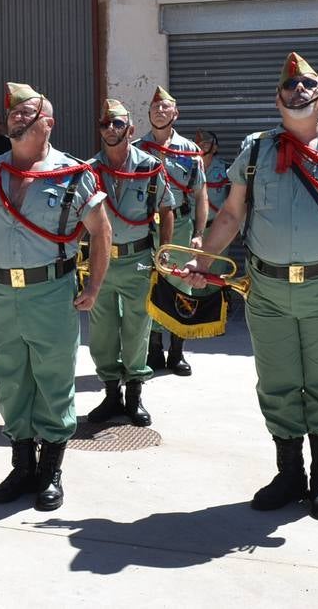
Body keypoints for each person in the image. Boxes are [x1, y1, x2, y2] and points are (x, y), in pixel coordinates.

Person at [188, 52, 318, 522]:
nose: (298, 91)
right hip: (267, 290)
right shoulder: (256, 149)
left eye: (308, 85)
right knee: (277, 384)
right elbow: (232, 214)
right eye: (289, 87)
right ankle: (289, 474)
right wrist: (202, 260)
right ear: (277, 100)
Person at [0, 82, 110, 512]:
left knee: (54, 380)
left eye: (26, 111)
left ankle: (51, 470)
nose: (16, 116)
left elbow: (101, 230)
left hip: (50, 291)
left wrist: (93, 287)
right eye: (12, 112)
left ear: (47, 123)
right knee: (10, 379)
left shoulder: (74, 173)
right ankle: (22, 466)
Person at [86, 100, 173, 427]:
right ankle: (112, 396)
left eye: (117, 124)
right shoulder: (89, 169)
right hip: (101, 263)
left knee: (137, 328)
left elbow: (167, 209)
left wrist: (163, 254)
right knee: (103, 331)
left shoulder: (149, 167)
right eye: (105, 124)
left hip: (137, 260)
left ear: (131, 129)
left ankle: (134, 396)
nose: (111, 129)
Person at [137, 86, 208, 375]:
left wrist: (200, 232)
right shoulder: (137, 149)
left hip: (179, 226)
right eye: (155, 107)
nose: (159, 111)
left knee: (182, 285)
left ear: (175, 113)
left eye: (165, 107)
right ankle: (153, 349)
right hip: (145, 228)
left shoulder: (189, 150)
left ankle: (177, 351)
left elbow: (201, 195)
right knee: (149, 285)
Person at [196, 130, 230, 225]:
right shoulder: (187, 169)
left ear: (215, 148)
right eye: (199, 143)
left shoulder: (226, 170)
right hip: (191, 225)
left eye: (206, 143)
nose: (202, 146)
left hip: (216, 225)